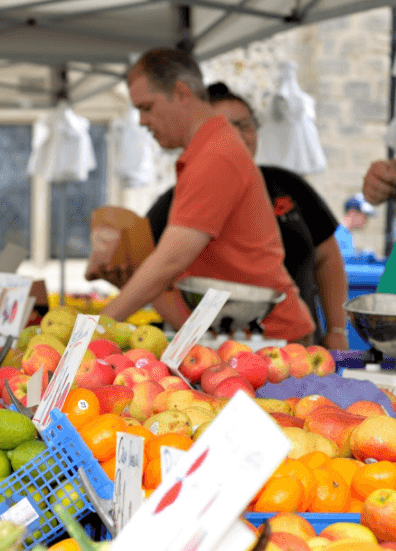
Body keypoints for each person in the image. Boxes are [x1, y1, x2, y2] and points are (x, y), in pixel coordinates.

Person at [95, 48, 315, 343]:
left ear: (182, 93)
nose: (142, 122)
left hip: (270, 339)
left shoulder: (215, 156)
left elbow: (170, 262)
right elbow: (176, 269)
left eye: (147, 108)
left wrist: (94, 330)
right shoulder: (210, 149)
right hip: (242, 334)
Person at [144, 83, 348, 349]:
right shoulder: (178, 200)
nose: (239, 135)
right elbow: (155, 274)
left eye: (245, 125)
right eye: (227, 127)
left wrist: (336, 329)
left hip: (300, 342)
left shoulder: (287, 184)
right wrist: (192, 333)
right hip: (223, 352)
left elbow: (328, 258)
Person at [334, 193, 376, 258]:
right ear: (352, 213)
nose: (366, 220)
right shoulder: (339, 235)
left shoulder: (346, 234)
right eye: (365, 215)